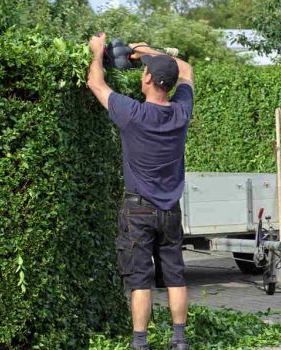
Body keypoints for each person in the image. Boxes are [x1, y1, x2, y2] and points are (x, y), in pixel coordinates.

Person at [87, 32, 194, 350]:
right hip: (170, 209)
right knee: (175, 274)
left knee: (139, 279)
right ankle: (179, 340)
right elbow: (185, 68)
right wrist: (148, 53)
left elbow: (96, 82)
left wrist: (97, 52)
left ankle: (140, 343)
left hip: (138, 209)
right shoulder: (180, 112)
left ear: (147, 78)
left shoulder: (132, 113)